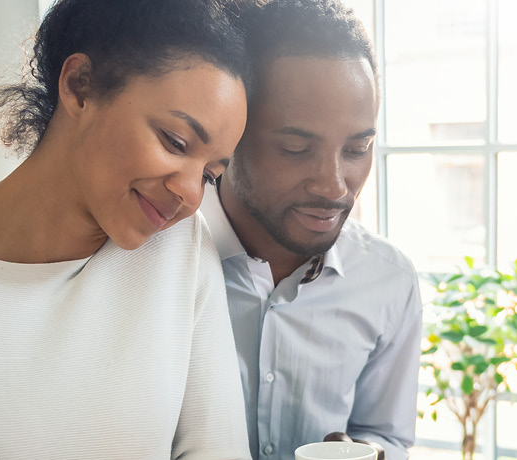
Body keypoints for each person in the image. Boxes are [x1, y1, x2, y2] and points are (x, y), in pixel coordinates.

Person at [0, 1, 422, 459]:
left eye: (212, 171)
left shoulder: (176, 254)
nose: (185, 192)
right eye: (175, 140)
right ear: (80, 84)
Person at [206, 1, 422, 458]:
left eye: (357, 148)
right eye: (295, 148)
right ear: (231, 133)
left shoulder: (390, 280)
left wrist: (370, 451)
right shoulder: (150, 257)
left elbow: (388, 434)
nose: (334, 185)